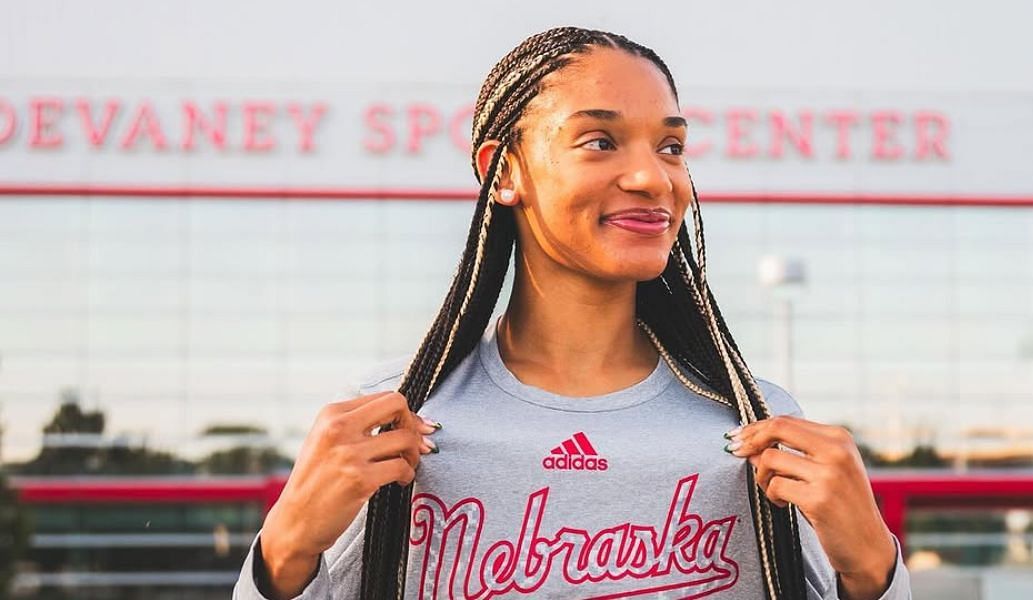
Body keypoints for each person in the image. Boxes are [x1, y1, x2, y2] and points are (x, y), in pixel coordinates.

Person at [234, 26, 912, 600]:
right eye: (600, 141)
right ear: (504, 171)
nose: (654, 178)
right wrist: (286, 548)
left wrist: (872, 566)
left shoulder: (759, 425)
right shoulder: (390, 418)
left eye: (670, 146)